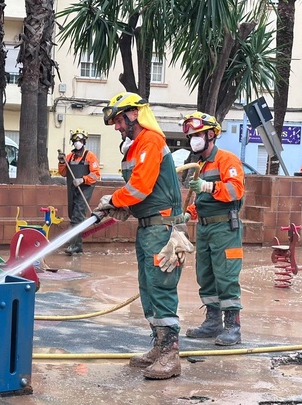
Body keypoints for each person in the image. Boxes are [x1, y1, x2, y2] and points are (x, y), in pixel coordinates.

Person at [95, 92, 190, 380]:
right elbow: (140, 195)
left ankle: (170, 354)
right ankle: (159, 347)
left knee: (160, 287)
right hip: (149, 227)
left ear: (133, 114)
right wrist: (124, 208)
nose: (116, 127)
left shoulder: (150, 141)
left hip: (162, 229)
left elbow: (140, 188)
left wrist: (115, 199)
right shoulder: (135, 148)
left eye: (118, 120)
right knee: (148, 288)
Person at [182, 111, 245, 347]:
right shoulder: (200, 164)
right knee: (205, 276)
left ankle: (233, 327)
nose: (193, 139)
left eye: (198, 134)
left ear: (211, 135)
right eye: (191, 135)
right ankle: (212, 322)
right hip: (206, 228)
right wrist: (189, 213)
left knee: (226, 276)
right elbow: (202, 201)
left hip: (225, 228)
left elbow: (235, 191)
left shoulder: (227, 160)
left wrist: (208, 185)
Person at [57, 128, 101, 255]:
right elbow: (64, 173)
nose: (77, 142)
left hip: (85, 189)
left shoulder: (90, 156)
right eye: (75, 140)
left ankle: (72, 245)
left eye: (80, 140)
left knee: (77, 216)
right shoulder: (69, 157)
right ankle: (78, 246)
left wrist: (83, 179)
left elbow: (95, 175)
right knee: (73, 215)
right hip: (72, 189)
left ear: (84, 141)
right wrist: (61, 162)